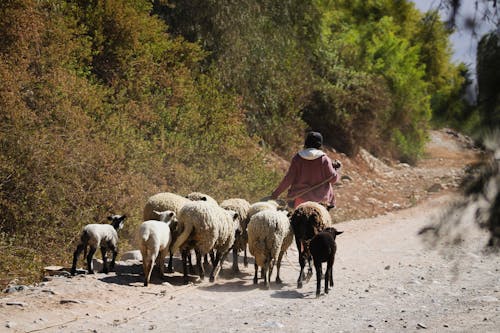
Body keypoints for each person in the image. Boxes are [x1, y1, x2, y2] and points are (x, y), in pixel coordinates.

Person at [270, 131, 341, 209]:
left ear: (306, 143)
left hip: (299, 199)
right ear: (320, 145)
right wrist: (335, 169)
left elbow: (288, 179)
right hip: (321, 201)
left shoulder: (297, 158)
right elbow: (333, 179)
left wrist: (275, 194)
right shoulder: (324, 159)